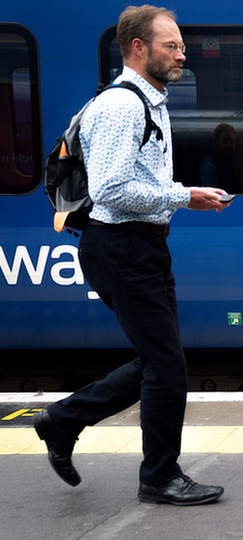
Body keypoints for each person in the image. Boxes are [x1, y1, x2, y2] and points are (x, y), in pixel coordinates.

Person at [33, 5, 229, 506]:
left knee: (158, 361)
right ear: (139, 48)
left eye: (181, 45)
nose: (182, 53)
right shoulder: (123, 106)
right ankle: (159, 477)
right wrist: (186, 195)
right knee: (167, 367)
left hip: (141, 247)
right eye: (172, 45)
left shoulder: (151, 101)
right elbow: (111, 189)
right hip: (120, 247)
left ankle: (62, 420)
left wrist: (176, 198)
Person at [199, 123, 239, 189]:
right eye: (225, 141)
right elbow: (212, 196)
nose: (229, 145)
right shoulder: (209, 167)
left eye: (231, 141)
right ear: (215, 143)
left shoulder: (226, 163)